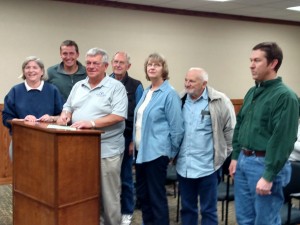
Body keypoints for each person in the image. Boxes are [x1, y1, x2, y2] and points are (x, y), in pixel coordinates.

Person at [229, 42, 299, 225]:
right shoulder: (253, 92)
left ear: (273, 63)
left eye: (257, 60)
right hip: (244, 161)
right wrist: (236, 156)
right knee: (244, 219)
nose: (251, 65)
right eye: (251, 60)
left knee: (265, 221)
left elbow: (283, 139)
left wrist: (269, 175)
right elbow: (241, 125)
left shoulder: (285, 96)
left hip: (265, 164)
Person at [56, 48, 128, 225]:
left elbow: (119, 115)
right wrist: (65, 114)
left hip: (107, 150)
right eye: (88, 63)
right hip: (80, 150)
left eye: (96, 63)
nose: (91, 66)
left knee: (109, 197)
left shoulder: (116, 87)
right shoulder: (78, 85)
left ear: (105, 66)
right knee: (85, 195)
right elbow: (68, 106)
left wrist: (92, 123)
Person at [176, 67, 236, 225]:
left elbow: (230, 133)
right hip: (184, 167)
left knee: (208, 210)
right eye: (186, 80)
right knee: (187, 209)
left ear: (204, 84)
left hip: (208, 168)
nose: (187, 84)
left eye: (192, 81)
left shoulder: (220, 101)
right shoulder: (180, 100)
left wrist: (221, 157)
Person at [133, 53, 184, 225]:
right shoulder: (147, 92)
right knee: (144, 196)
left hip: (157, 154)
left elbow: (177, 128)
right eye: (149, 65)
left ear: (164, 69)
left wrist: (170, 152)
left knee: (156, 198)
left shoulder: (169, 94)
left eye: (156, 64)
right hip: (141, 153)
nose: (152, 67)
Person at [2, 56, 64, 159]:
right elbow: (6, 118)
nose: (31, 70)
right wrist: (23, 120)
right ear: (23, 71)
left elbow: (63, 115)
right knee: (21, 173)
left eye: (35, 67)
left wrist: (51, 118)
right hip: (20, 141)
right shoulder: (15, 91)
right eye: (27, 67)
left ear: (42, 71)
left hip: (48, 141)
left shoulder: (52, 90)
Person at [109, 51, 144, 225]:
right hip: (104, 139)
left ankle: (127, 211)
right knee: (107, 179)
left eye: (121, 62)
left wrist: (133, 141)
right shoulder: (104, 82)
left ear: (128, 66)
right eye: (115, 62)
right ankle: (109, 210)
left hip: (125, 138)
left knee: (125, 179)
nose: (118, 65)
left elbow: (139, 116)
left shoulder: (136, 85)